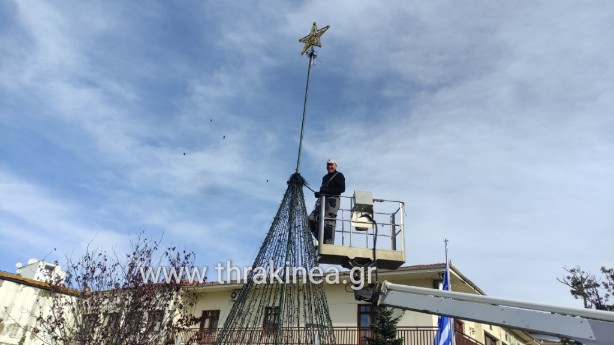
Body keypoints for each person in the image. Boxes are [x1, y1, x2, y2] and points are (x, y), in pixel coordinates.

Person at [309, 159, 345, 244]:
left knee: (329, 221)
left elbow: (341, 189)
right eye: (328, 165)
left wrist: (326, 192)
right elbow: (324, 190)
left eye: (332, 165)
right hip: (322, 201)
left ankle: (329, 243)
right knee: (310, 219)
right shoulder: (325, 178)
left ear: (335, 166)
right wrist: (319, 194)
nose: (330, 167)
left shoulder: (339, 175)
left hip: (332, 201)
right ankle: (321, 239)